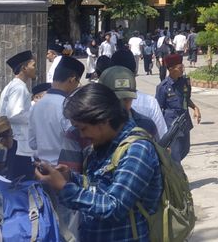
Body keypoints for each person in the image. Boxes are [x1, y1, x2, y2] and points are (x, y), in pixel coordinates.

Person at [35, 83, 162, 242]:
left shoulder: (137, 150)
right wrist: (71, 178)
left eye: (83, 128)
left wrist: (64, 188)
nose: (81, 135)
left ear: (104, 119)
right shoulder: (104, 144)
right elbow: (100, 187)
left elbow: (114, 206)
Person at [28, 56, 85, 241]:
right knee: (69, 227)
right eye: (77, 82)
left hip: (41, 172)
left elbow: (32, 143)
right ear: (71, 79)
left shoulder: (37, 105)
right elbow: (75, 140)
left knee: (48, 223)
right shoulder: (66, 106)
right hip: (63, 174)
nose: (77, 86)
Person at [0, 50, 37, 180]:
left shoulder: (14, 86)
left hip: (16, 141)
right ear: (24, 68)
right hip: (18, 142)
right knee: (19, 180)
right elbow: (14, 114)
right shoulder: (19, 88)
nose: (35, 69)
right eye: (33, 65)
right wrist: (34, 114)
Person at [109, 51, 167, 140]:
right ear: (135, 71)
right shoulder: (150, 103)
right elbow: (162, 137)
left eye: (127, 100)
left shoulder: (99, 101)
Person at [156, 54, 201, 163]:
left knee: (185, 150)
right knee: (175, 155)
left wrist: (195, 108)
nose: (182, 70)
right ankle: (178, 178)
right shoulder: (163, 87)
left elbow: (186, 99)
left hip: (185, 122)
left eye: (182, 67)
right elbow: (158, 109)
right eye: (180, 68)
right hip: (172, 125)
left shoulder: (184, 82)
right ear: (171, 69)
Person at [99, 66, 158, 138]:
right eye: (116, 100)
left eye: (126, 99)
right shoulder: (90, 128)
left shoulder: (146, 125)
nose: (121, 105)